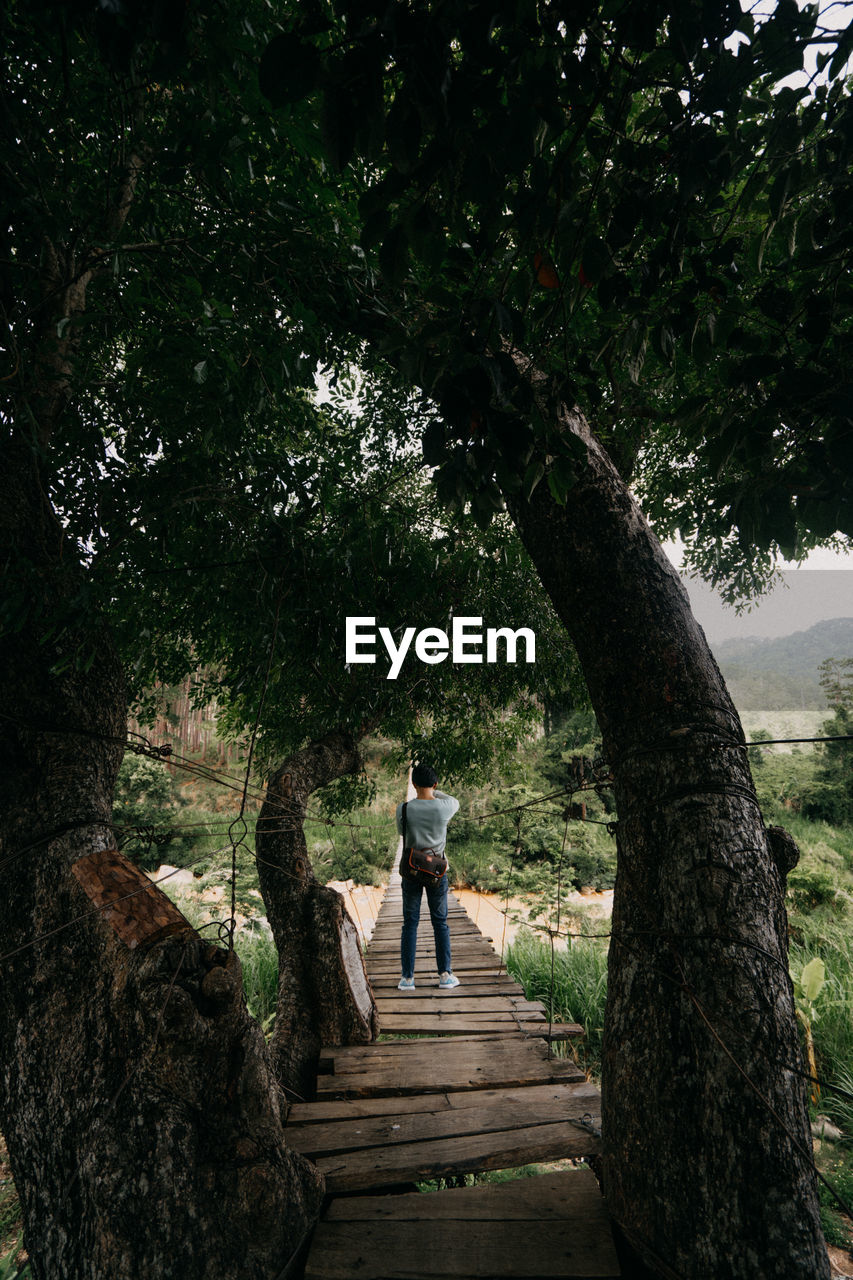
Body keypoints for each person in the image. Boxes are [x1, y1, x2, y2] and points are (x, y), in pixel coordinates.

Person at [395, 764, 460, 991]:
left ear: (413, 785)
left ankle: (407, 979)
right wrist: (434, 792)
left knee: (410, 923)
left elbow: (401, 833)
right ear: (435, 784)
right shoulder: (444, 807)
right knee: (440, 922)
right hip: (436, 872)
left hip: (412, 870)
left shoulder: (403, 808)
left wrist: (421, 794)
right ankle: (444, 975)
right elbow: (453, 800)